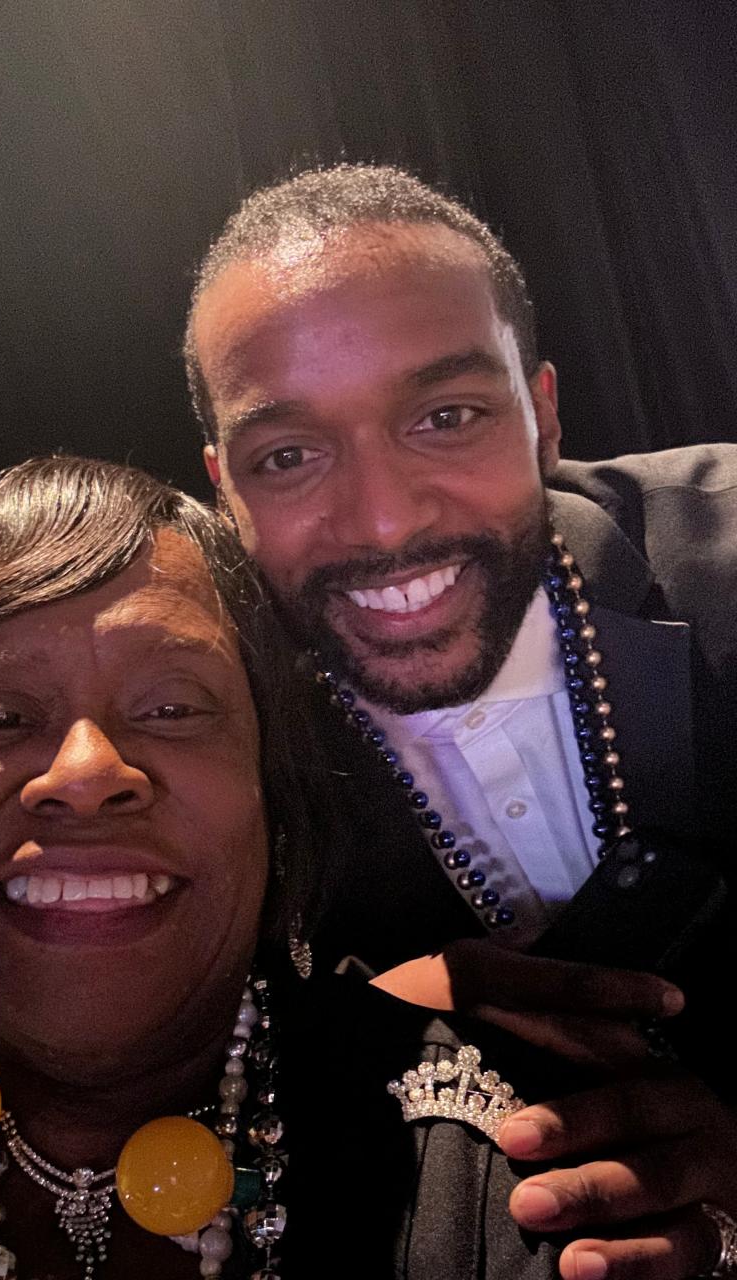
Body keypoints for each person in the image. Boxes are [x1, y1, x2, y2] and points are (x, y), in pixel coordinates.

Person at [0, 454, 649, 1280]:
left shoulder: (500, 1170)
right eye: (1, 716)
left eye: (171, 707)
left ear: (277, 797)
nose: (84, 775)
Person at [184, 164, 737, 1280]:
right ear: (224, 485)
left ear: (542, 413)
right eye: (288, 455)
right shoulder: (215, 714)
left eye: (446, 416)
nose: (384, 518)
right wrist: (379, 992)